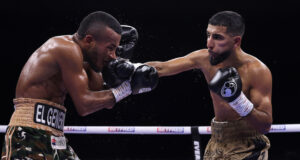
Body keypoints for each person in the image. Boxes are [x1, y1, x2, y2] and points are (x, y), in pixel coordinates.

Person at [1, 11, 158, 160]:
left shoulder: (85, 63)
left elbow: (103, 98)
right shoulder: (65, 48)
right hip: (28, 132)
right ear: (89, 40)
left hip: (55, 136)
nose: (113, 54)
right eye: (110, 48)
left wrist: (125, 76)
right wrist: (127, 88)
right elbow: (84, 105)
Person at [147, 11, 272, 159]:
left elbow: (265, 125)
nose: (209, 44)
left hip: (248, 145)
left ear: (236, 41)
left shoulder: (257, 71)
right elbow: (161, 68)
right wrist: (126, 67)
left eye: (217, 37)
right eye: (208, 35)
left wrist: (237, 100)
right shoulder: (204, 58)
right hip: (217, 142)